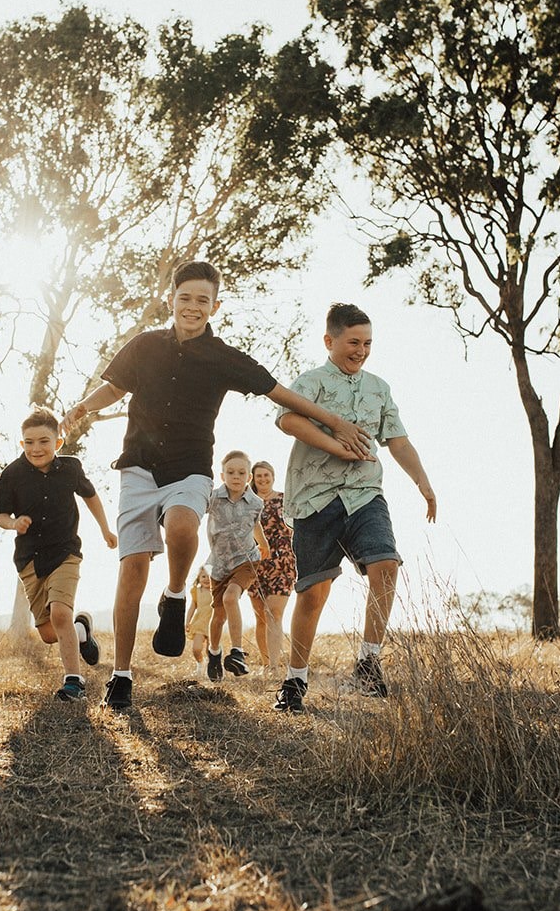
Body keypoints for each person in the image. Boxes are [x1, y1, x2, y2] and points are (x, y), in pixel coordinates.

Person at [62, 259, 371, 712]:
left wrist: (335, 421)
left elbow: (281, 394)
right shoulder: (144, 346)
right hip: (137, 468)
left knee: (184, 526)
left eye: (202, 300)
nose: (192, 307)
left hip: (189, 469)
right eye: (184, 298)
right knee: (131, 570)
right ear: (170, 300)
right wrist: (83, 408)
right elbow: (115, 387)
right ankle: (121, 675)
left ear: (215, 306)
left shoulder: (224, 357)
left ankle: (173, 595)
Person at [272, 303, 437, 713]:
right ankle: (294, 682)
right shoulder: (311, 382)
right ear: (330, 341)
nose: (361, 350)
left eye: (367, 343)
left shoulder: (379, 388)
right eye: (353, 342)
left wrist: (423, 481)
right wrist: (336, 445)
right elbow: (287, 421)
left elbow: (397, 440)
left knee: (386, 564)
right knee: (313, 594)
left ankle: (368, 661)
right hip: (315, 499)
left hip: (365, 495)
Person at [0, 407, 118, 702]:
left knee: (61, 612)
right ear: (22, 444)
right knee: (49, 633)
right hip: (30, 558)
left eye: (44, 441)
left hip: (65, 552)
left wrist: (105, 529)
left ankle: (74, 681)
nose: (36, 448)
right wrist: (14, 523)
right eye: (29, 442)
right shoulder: (12, 474)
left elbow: (90, 496)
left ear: (58, 442)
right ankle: (81, 630)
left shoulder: (71, 468)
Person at [203, 450, 269, 682]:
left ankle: (237, 652)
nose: (236, 477)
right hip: (220, 564)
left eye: (242, 473)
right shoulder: (212, 499)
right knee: (218, 616)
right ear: (222, 476)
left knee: (231, 598)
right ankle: (213, 652)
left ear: (248, 477)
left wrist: (264, 545)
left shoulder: (255, 503)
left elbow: (255, 526)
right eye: (231, 472)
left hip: (247, 560)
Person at [247, 459, 295, 675]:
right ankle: (266, 664)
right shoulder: (247, 502)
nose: (263, 479)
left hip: (282, 560)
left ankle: (275, 667)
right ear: (253, 479)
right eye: (259, 476)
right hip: (255, 561)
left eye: (266, 475)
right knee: (260, 616)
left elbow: (297, 526)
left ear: (273, 476)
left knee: (273, 612)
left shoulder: (285, 500)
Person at [186, 567, 215, 675]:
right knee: (196, 648)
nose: (207, 579)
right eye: (203, 576)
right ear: (198, 578)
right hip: (199, 623)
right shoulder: (196, 591)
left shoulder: (216, 590)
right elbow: (192, 607)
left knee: (210, 650)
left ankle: (211, 667)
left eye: (209, 577)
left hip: (213, 623)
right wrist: (187, 621)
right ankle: (200, 663)